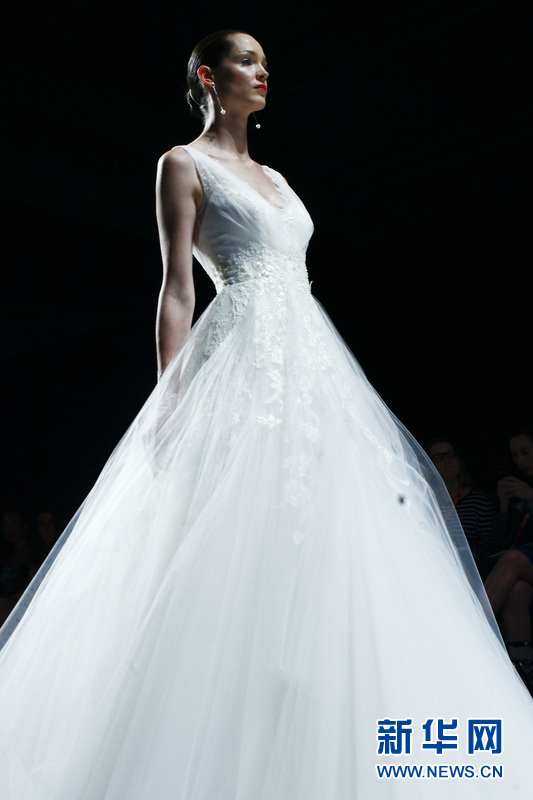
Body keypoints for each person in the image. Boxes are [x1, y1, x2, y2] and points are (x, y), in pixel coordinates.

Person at [1, 29, 533, 799]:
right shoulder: (181, 164)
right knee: (238, 524)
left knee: (337, 533)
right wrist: (170, 402)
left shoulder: (277, 178)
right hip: (240, 352)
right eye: (246, 61)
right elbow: (177, 288)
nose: (263, 72)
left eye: (264, 61)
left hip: (310, 361)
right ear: (207, 76)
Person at [484, 426, 533, 692]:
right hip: (524, 563)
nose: (520, 460)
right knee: (517, 591)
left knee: (514, 559)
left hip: (522, 559)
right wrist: (503, 508)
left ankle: (470, 626)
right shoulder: (516, 485)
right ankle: (524, 670)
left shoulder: (525, 489)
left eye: (526, 452)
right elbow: (501, 541)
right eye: (515, 455)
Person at [427, 438, 495, 578]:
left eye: (451, 455)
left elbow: (490, 549)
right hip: (435, 568)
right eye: (440, 458)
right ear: (430, 465)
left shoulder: (478, 500)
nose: (448, 460)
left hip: (472, 573)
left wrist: (462, 553)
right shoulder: (428, 503)